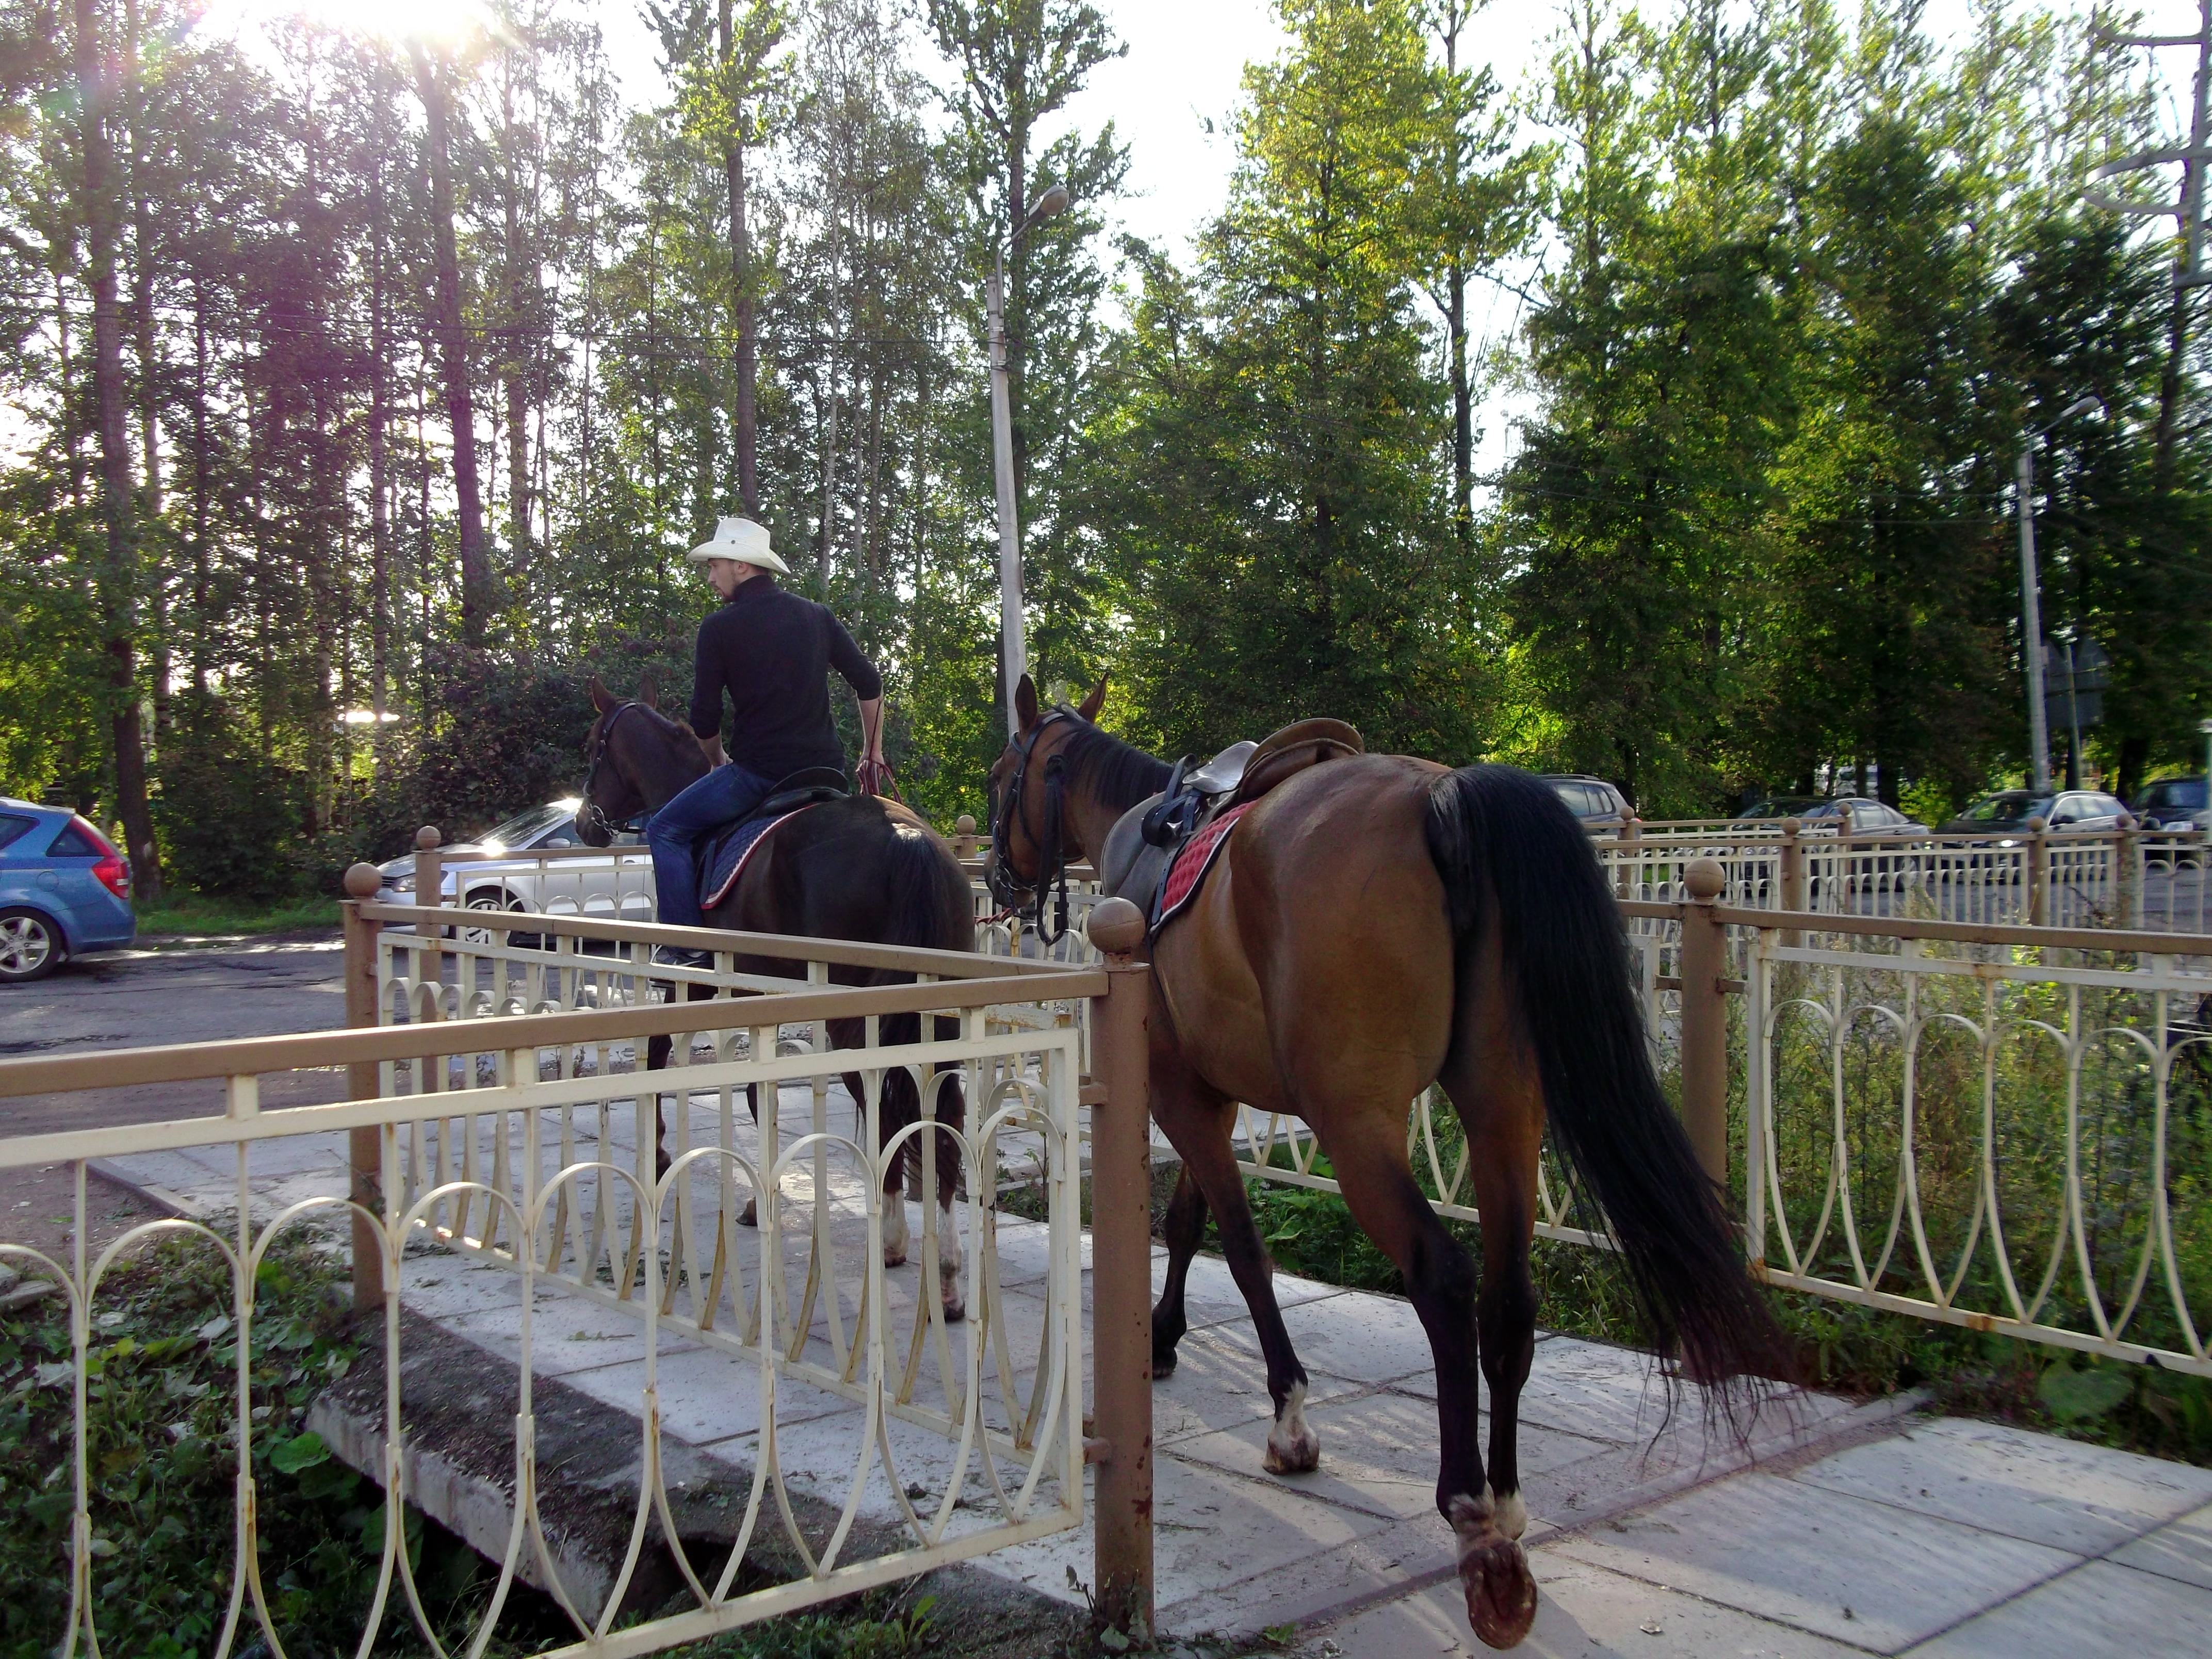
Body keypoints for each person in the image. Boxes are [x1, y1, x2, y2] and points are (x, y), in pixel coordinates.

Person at [646, 516, 888, 937]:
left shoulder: (719, 627)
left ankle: (685, 947)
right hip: (825, 772)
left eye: (714, 566)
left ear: (741, 566)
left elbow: (704, 719)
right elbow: (870, 684)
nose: (710, 578)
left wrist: (719, 761)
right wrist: (872, 752)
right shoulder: (817, 616)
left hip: (761, 776)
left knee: (664, 829)